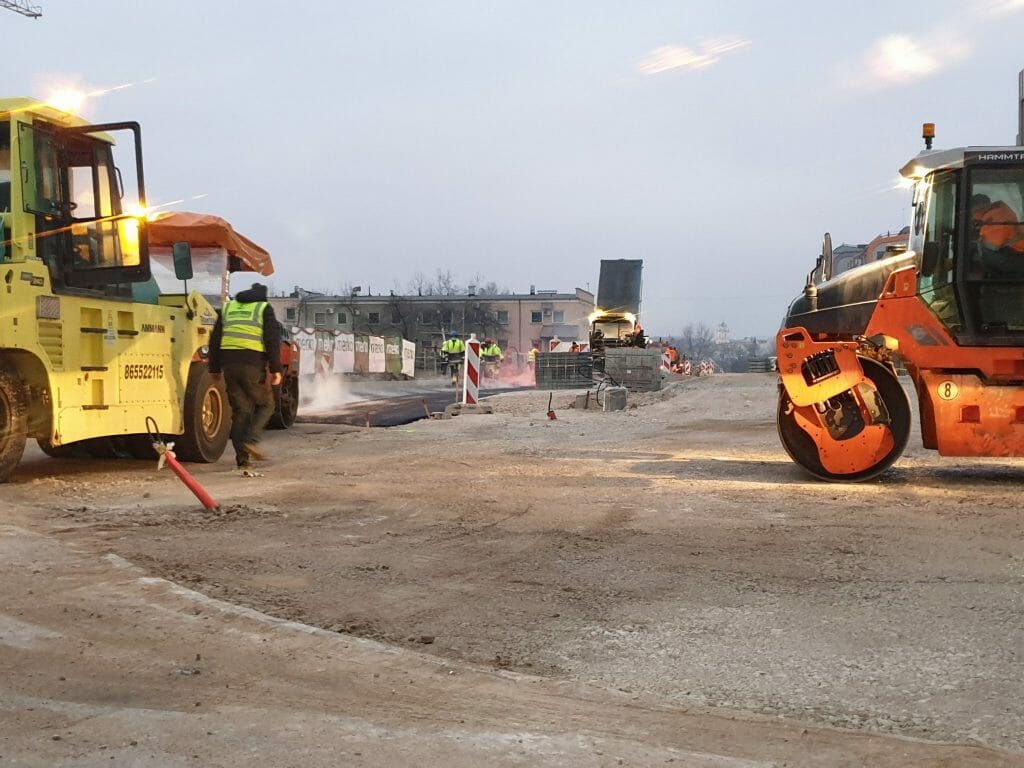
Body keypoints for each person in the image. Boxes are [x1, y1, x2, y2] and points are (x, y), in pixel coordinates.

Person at [209, 283, 282, 469]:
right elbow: (272, 340)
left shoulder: (228, 307)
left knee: (241, 411)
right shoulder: (263, 308)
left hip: (229, 365)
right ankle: (252, 441)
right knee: (267, 404)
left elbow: (215, 338)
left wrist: (214, 368)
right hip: (252, 364)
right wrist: (276, 369)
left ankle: (243, 461)